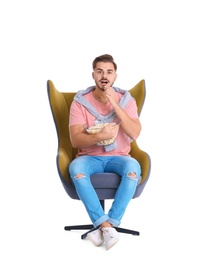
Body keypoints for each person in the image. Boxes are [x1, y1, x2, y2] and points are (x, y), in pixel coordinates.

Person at [69, 54, 142, 250]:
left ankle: (107, 224)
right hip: (89, 157)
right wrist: (99, 136)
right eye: (99, 71)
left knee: (133, 168)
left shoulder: (126, 100)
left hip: (119, 157)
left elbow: (134, 133)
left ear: (115, 76)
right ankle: (106, 226)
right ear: (93, 75)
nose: (104, 75)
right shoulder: (80, 102)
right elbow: (75, 139)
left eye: (109, 72)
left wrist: (116, 106)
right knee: (76, 168)